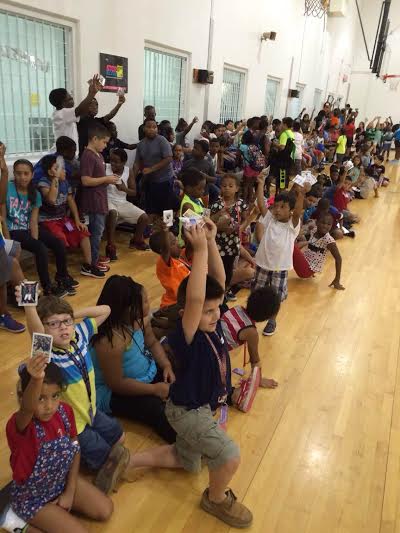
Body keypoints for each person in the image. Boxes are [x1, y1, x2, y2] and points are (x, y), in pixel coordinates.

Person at [165, 219, 253, 528]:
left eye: (218, 308)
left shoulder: (210, 320)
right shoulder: (188, 333)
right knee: (229, 455)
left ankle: (126, 461)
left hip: (198, 407)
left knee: (187, 461)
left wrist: (212, 242)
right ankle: (214, 500)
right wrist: (199, 249)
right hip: (188, 412)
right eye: (208, 310)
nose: (216, 314)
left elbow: (219, 281)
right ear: (187, 314)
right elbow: (196, 298)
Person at [19, 293, 131, 495]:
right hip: (75, 426)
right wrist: (30, 308)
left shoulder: (78, 333)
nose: (63, 327)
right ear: (44, 331)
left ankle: (98, 460)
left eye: (66, 322)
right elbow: (36, 332)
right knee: (105, 458)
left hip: (92, 411)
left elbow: (105, 310)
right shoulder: (48, 354)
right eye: (54, 324)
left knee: (120, 436)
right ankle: (82, 463)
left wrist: (71, 315)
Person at [6, 358, 113, 532]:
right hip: (33, 498)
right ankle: (15, 521)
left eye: (55, 396)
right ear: (24, 396)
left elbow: (75, 447)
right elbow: (27, 409)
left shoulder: (64, 411)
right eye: (40, 398)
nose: (49, 406)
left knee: (105, 509)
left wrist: (70, 491)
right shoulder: (21, 425)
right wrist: (36, 378)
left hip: (60, 482)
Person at [90, 275, 177, 443]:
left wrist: (166, 365)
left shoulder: (139, 319)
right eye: (144, 301)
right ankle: (186, 441)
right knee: (155, 410)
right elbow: (117, 384)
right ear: (127, 309)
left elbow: (151, 342)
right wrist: (154, 390)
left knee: (181, 369)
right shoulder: (109, 341)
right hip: (117, 391)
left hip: (147, 371)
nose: (148, 303)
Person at [1, 160, 71, 298]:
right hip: (13, 230)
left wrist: (34, 241)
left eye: (26, 173)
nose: (22, 177)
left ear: (32, 175)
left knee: (57, 243)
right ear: (13, 174)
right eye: (19, 173)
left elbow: (33, 221)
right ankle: (48, 288)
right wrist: (8, 240)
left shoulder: (35, 194)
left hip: (28, 228)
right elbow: (3, 218)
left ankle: (62, 277)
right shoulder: (7, 189)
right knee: (40, 248)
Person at [254, 172, 305, 336]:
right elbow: (262, 205)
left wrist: (301, 194)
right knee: (257, 292)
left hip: (279, 268)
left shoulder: (292, 225)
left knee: (275, 296)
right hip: (262, 264)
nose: (277, 209)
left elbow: (298, 213)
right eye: (276, 205)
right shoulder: (270, 219)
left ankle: (272, 320)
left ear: (290, 211)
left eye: (282, 207)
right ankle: (253, 316)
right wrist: (261, 184)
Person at [37, 155, 92, 293]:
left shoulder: (65, 182)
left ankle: (88, 266)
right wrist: (56, 179)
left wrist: (78, 220)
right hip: (48, 221)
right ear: (51, 172)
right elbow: (51, 199)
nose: (65, 171)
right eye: (60, 169)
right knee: (60, 240)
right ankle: (63, 275)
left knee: (83, 232)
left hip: (63, 219)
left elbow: (70, 201)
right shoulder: (43, 183)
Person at [220, 287, 280, 388]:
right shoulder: (251, 332)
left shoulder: (237, 308)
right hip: (211, 354)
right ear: (267, 316)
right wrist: (258, 380)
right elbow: (255, 360)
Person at [79, 124, 119, 277]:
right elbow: (86, 180)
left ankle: (94, 259)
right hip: (93, 202)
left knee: (98, 232)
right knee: (95, 233)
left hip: (100, 199)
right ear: (95, 139)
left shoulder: (99, 154)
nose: (106, 145)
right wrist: (106, 179)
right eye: (104, 142)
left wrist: (108, 179)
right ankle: (91, 264)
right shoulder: (88, 156)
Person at [104, 148, 149, 259]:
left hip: (122, 202)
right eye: (111, 160)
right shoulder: (105, 167)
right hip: (107, 200)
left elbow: (133, 192)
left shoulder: (128, 171)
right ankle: (110, 245)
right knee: (113, 213)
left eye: (116, 161)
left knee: (144, 217)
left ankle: (136, 240)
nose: (113, 163)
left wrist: (124, 188)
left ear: (123, 162)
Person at [210, 174, 248, 296]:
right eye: (224, 185)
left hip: (233, 242)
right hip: (219, 242)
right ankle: (218, 290)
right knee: (217, 267)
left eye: (230, 186)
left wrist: (240, 227)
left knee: (229, 267)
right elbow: (209, 221)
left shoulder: (241, 204)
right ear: (220, 187)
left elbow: (245, 219)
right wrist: (219, 218)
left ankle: (225, 289)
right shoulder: (216, 205)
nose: (227, 188)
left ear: (237, 188)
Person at [133, 118, 174, 218]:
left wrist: (151, 169)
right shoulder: (141, 144)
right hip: (150, 180)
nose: (152, 129)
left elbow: (168, 158)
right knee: (151, 207)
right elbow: (137, 163)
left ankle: (168, 228)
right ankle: (150, 229)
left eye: (154, 127)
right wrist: (132, 179)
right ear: (144, 128)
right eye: (149, 127)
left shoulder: (162, 140)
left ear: (157, 129)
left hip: (165, 179)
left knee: (166, 206)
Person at [49, 75, 102, 152]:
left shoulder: (65, 115)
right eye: (70, 99)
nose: (73, 100)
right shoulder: (62, 114)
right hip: (64, 155)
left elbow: (82, 112)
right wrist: (92, 93)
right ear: (63, 103)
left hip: (68, 154)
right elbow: (80, 110)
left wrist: (91, 109)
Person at [293, 213, 344, 289]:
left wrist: (337, 280)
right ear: (317, 222)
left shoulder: (329, 240)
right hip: (306, 264)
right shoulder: (314, 230)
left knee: (290, 246)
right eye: (323, 223)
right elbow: (310, 227)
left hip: (307, 270)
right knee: (292, 246)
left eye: (328, 224)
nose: (325, 226)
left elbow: (339, 259)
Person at [149, 223, 190, 308]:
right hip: (173, 304)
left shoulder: (179, 258)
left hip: (186, 299)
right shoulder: (164, 263)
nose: (178, 244)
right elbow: (166, 249)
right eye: (173, 243)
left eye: (176, 240)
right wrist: (165, 231)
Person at [77, 92, 126, 157]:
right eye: (92, 104)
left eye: (97, 104)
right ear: (86, 106)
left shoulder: (97, 121)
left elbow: (110, 115)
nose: (96, 107)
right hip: (84, 155)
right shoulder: (80, 120)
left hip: (95, 155)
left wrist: (119, 104)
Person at [182, 140, 219, 205]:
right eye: (194, 147)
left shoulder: (208, 164)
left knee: (202, 211)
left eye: (196, 148)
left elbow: (214, 179)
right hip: (188, 194)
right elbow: (180, 175)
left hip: (203, 194)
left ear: (204, 153)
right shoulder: (187, 163)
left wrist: (206, 177)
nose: (193, 149)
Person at [178, 168, 206, 246]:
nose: (203, 191)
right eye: (200, 189)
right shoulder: (187, 206)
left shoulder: (197, 198)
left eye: (203, 188)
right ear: (188, 188)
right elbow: (194, 225)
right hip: (187, 243)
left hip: (197, 236)